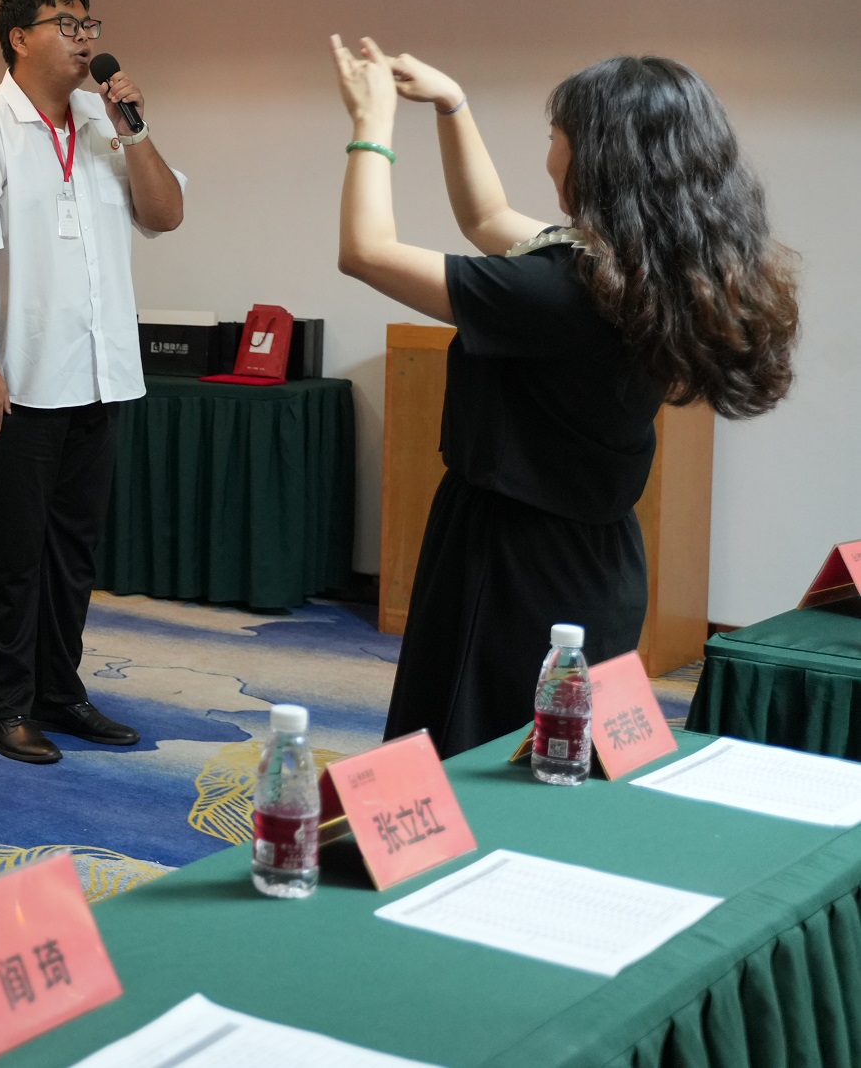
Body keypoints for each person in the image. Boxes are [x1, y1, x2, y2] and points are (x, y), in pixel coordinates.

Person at [333, 39, 797, 757]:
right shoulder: (649, 269)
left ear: (595, 157)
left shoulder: (564, 291)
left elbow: (365, 251)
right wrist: (452, 103)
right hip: (597, 558)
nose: (550, 153)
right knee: (559, 750)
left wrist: (371, 124)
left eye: (557, 136)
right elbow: (487, 218)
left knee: (478, 749)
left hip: (512, 558)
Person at [0, 0, 186, 765]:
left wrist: (135, 131)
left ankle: (60, 689)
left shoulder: (100, 120)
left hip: (100, 374)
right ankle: (2, 703)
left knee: (72, 552)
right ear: (20, 38)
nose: (86, 38)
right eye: (67, 24)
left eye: (90, 24)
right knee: (8, 553)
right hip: (20, 379)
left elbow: (165, 215)